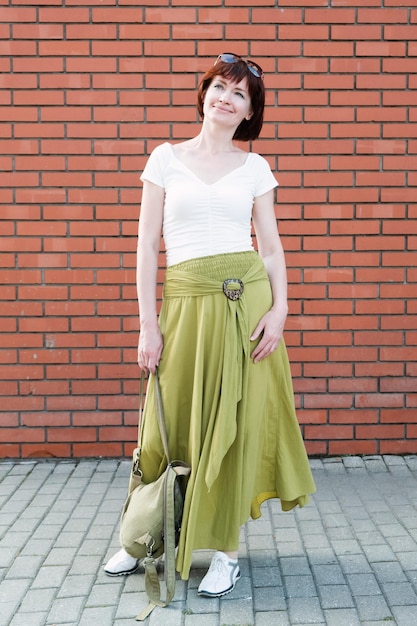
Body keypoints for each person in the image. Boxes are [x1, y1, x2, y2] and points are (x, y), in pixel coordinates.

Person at [104, 52, 316, 597]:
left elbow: (269, 248)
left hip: (246, 307)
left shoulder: (254, 168)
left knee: (234, 427)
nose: (226, 98)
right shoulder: (165, 158)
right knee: (164, 421)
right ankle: (143, 537)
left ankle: (226, 551)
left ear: (249, 111)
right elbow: (147, 246)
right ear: (204, 94)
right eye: (220, 87)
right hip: (184, 306)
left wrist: (280, 309)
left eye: (239, 94)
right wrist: (147, 324)